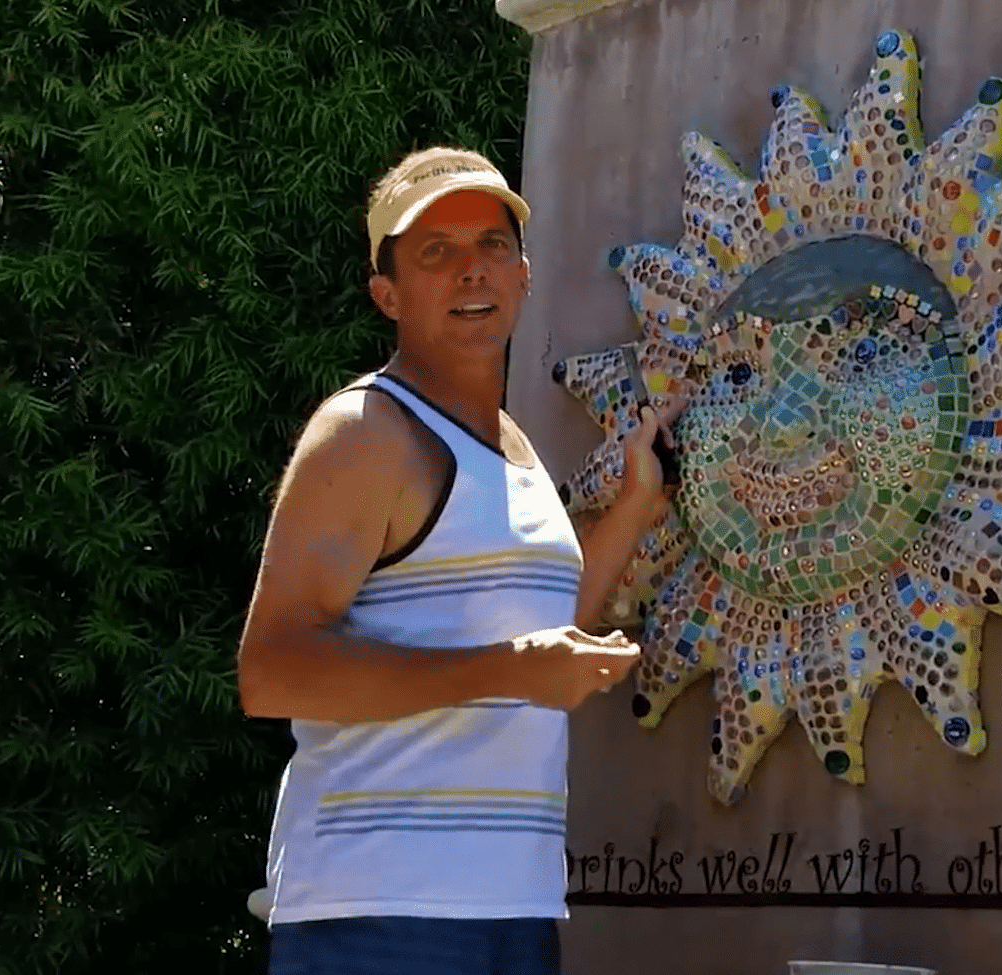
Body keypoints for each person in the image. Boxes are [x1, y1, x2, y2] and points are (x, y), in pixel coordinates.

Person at [236, 146, 676, 975]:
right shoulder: (363, 432)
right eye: (436, 251)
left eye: (491, 244)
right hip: (376, 916)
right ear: (387, 293)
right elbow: (272, 671)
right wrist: (507, 669)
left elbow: (544, 637)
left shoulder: (513, 450)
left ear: (523, 274)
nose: (471, 270)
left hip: (516, 908)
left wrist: (633, 509)